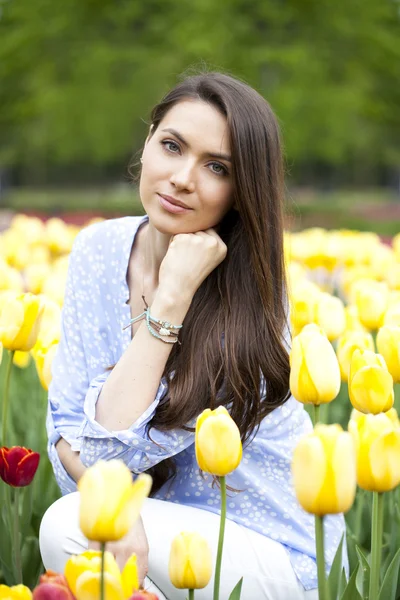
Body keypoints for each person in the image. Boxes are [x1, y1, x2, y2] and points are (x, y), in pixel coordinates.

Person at [39, 70, 344, 599]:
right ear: (147, 141)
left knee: (71, 526)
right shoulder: (98, 250)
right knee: (88, 525)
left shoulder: (250, 301)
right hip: (166, 531)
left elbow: (105, 451)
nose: (183, 177)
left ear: (240, 192)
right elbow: (67, 430)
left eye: (216, 167)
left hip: (272, 550)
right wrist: (113, 504)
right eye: (172, 146)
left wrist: (174, 293)